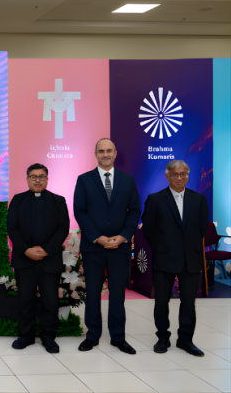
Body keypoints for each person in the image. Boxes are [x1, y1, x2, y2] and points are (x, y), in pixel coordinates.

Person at [73, 138, 141, 354]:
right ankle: (92, 335)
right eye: (101, 151)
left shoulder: (128, 180)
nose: (105, 154)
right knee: (92, 292)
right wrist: (98, 238)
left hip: (120, 247)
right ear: (95, 154)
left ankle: (118, 337)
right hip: (94, 247)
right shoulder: (84, 180)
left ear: (115, 153)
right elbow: (79, 211)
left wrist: (123, 237)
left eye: (109, 150)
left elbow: (134, 211)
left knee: (118, 294)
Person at [142, 160, 209, 357]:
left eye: (183, 174)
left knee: (189, 303)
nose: (179, 178)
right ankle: (162, 338)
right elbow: (148, 230)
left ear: (188, 176)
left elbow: (202, 228)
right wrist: (162, 247)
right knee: (161, 302)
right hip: (164, 259)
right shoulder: (155, 199)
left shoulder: (199, 199)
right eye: (174, 174)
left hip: (191, 259)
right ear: (167, 176)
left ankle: (185, 340)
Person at [7, 163, 70, 354]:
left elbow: (63, 227)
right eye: (33, 177)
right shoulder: (17, 200)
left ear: (47, 179)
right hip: (24, 258)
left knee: (50, 300)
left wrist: (46, 249)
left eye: (41, 176)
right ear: (27, 179)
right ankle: (25, 335)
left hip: (49, 258)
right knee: (25, 298)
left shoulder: (58, 201)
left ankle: (48, 337)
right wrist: (26, 249)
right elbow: (12, 227)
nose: (37, 180)